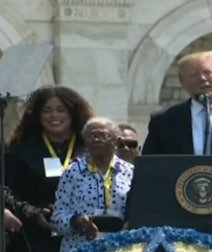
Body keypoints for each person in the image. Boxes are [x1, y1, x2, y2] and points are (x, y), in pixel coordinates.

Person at [5, 85, 93, 252]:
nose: (54, 116)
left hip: (83, 231)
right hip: (36, 234)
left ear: (72, 113)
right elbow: (8, 190)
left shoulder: (89, 148)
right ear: (38, 115)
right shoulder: (21, 149)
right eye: (47, 111)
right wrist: (32, 212)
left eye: (61, 110)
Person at [51, 117, 134, 252]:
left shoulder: (131, 172)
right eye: (92, 135)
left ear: (117, 141)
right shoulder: (72, 171)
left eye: (104, 135)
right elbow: (57, 217)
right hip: (80, 246)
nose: (96, 139)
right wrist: (75, 221)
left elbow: (139, 212)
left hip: (120, 246)